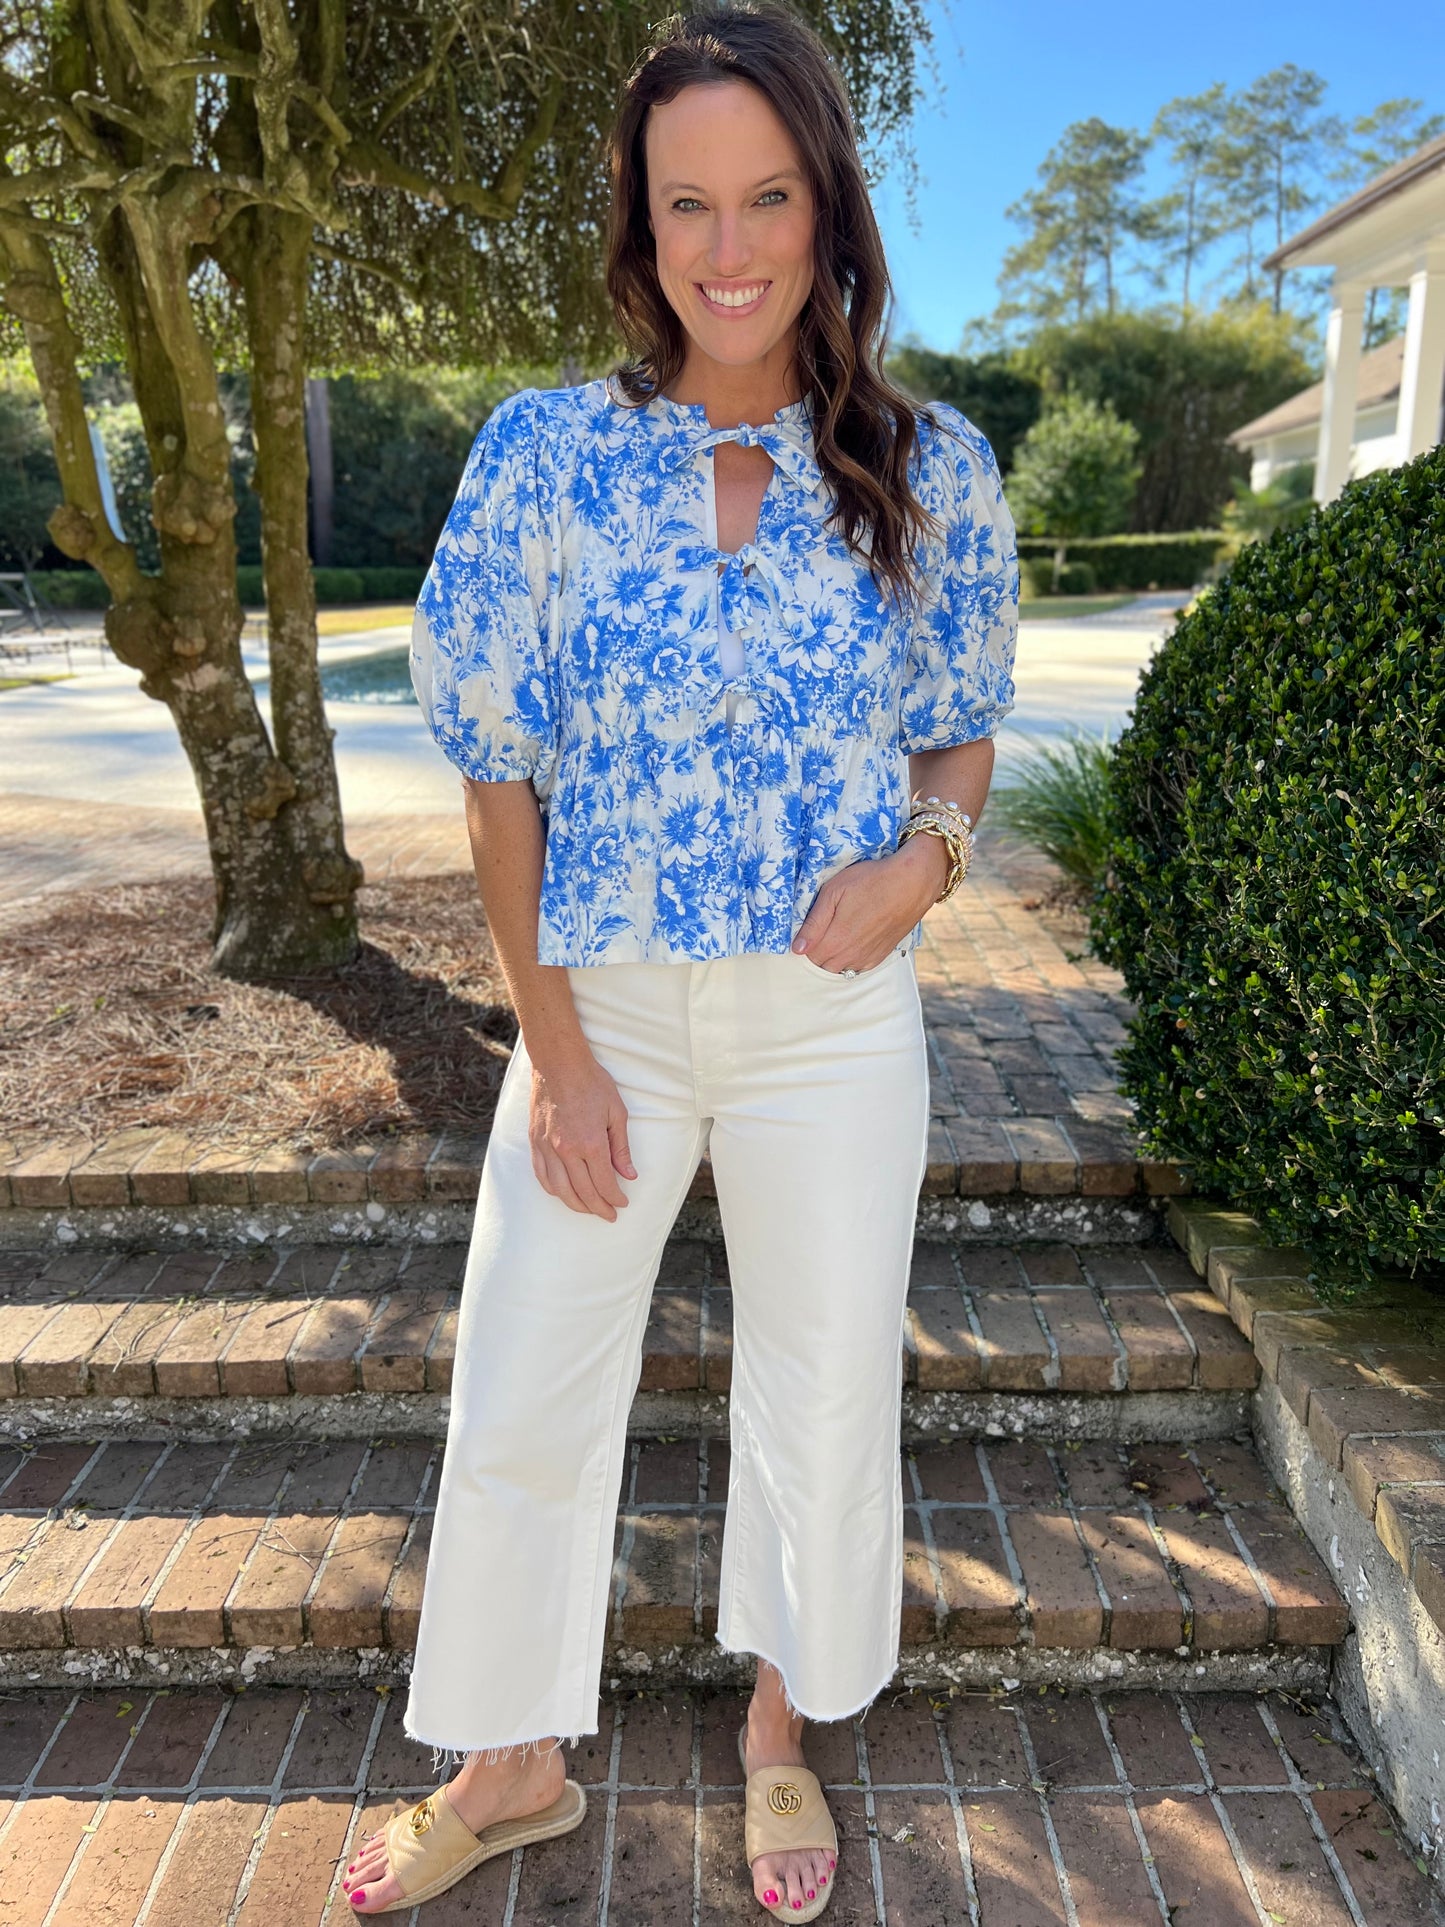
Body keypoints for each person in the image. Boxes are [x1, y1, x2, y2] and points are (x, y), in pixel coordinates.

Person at [340, 3, 1017, 1917]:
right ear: (640, 230)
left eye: (769, 198)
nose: (731, 250)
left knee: (817, 1379)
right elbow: (496, 778)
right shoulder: (545, 459)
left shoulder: (929, 463)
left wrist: (924, 864)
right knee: (532, 1373)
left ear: (827, 211)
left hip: (828, 1017)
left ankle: (778, 1737)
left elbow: (961, 722)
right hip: (607, 1009)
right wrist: (548, 1049)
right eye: (686, 204)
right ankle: (512, 1763)